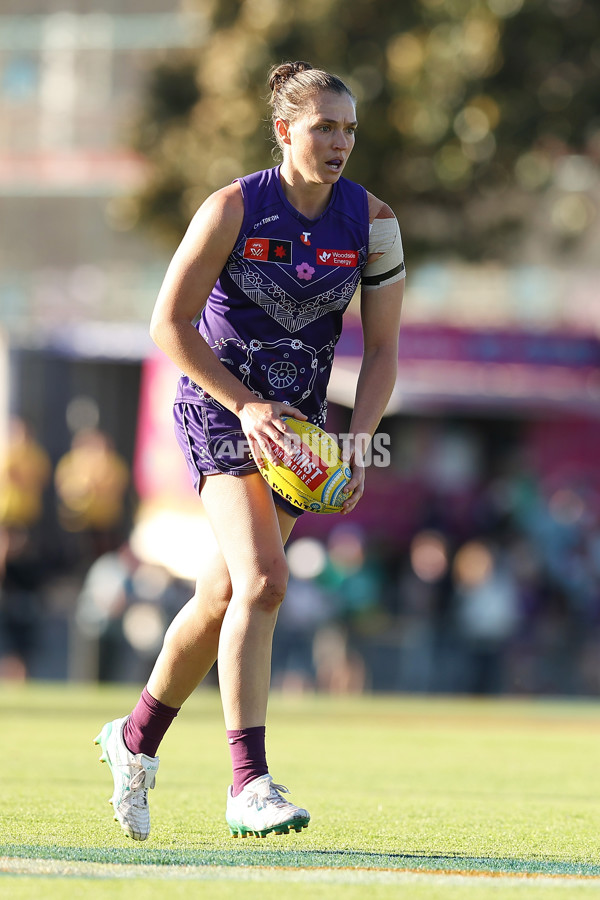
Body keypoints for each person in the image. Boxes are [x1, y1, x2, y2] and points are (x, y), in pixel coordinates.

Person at [94, 60, 405, 841]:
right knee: (265, 582)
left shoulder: (374, 221)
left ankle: (133, 740)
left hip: (297, 433)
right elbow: (168, 325)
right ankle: (248, 782)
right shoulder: (234, 207)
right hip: (221, 408)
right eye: (323, 127)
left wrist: (359, 441)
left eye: (348, 129)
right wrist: (244, 402)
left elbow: (385, 352)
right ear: (284, 131)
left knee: (223, 597)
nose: (340, 142)